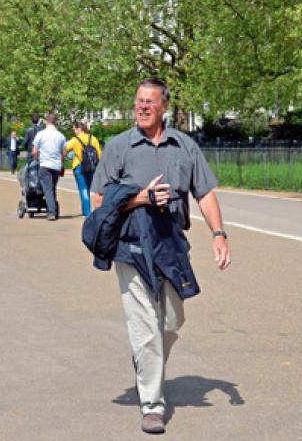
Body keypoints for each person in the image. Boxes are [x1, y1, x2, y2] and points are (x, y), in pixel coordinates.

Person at [91, 78, 231, 434]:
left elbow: (205, 193)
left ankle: (144, 362)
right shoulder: (119, 146)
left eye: (150, 102)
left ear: (164, 106)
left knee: (170, 322)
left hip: (171, 245)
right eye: (138, 101)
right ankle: (152, 404)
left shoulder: (184, 146)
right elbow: (98, 203)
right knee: (146, 329)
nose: (142, 107)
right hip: (131, 246)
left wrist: (219, 234)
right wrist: (139, 199)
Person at [31, 113, 67, 220]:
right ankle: (54, 209)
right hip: (56, 166)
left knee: (48, 189)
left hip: (45, 164)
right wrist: (60, 161)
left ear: (46, 122)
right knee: (52, 188)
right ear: (55, 122)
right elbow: (64, 153)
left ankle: (51, 212)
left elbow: (34, 151)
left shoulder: (40, 134)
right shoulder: (61, 135)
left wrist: (37, 158)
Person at [64, 121, 102, 217]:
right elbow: (99, 154)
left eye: (74, 129)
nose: (74, 131)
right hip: (92, 166)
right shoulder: (93, 138)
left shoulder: (75, 140)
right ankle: (91, 210)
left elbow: (64, 149)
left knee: (83, 189)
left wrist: (63, 158)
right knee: (90, 188)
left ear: (79, 129)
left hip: (79, 166)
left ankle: (87, 213)